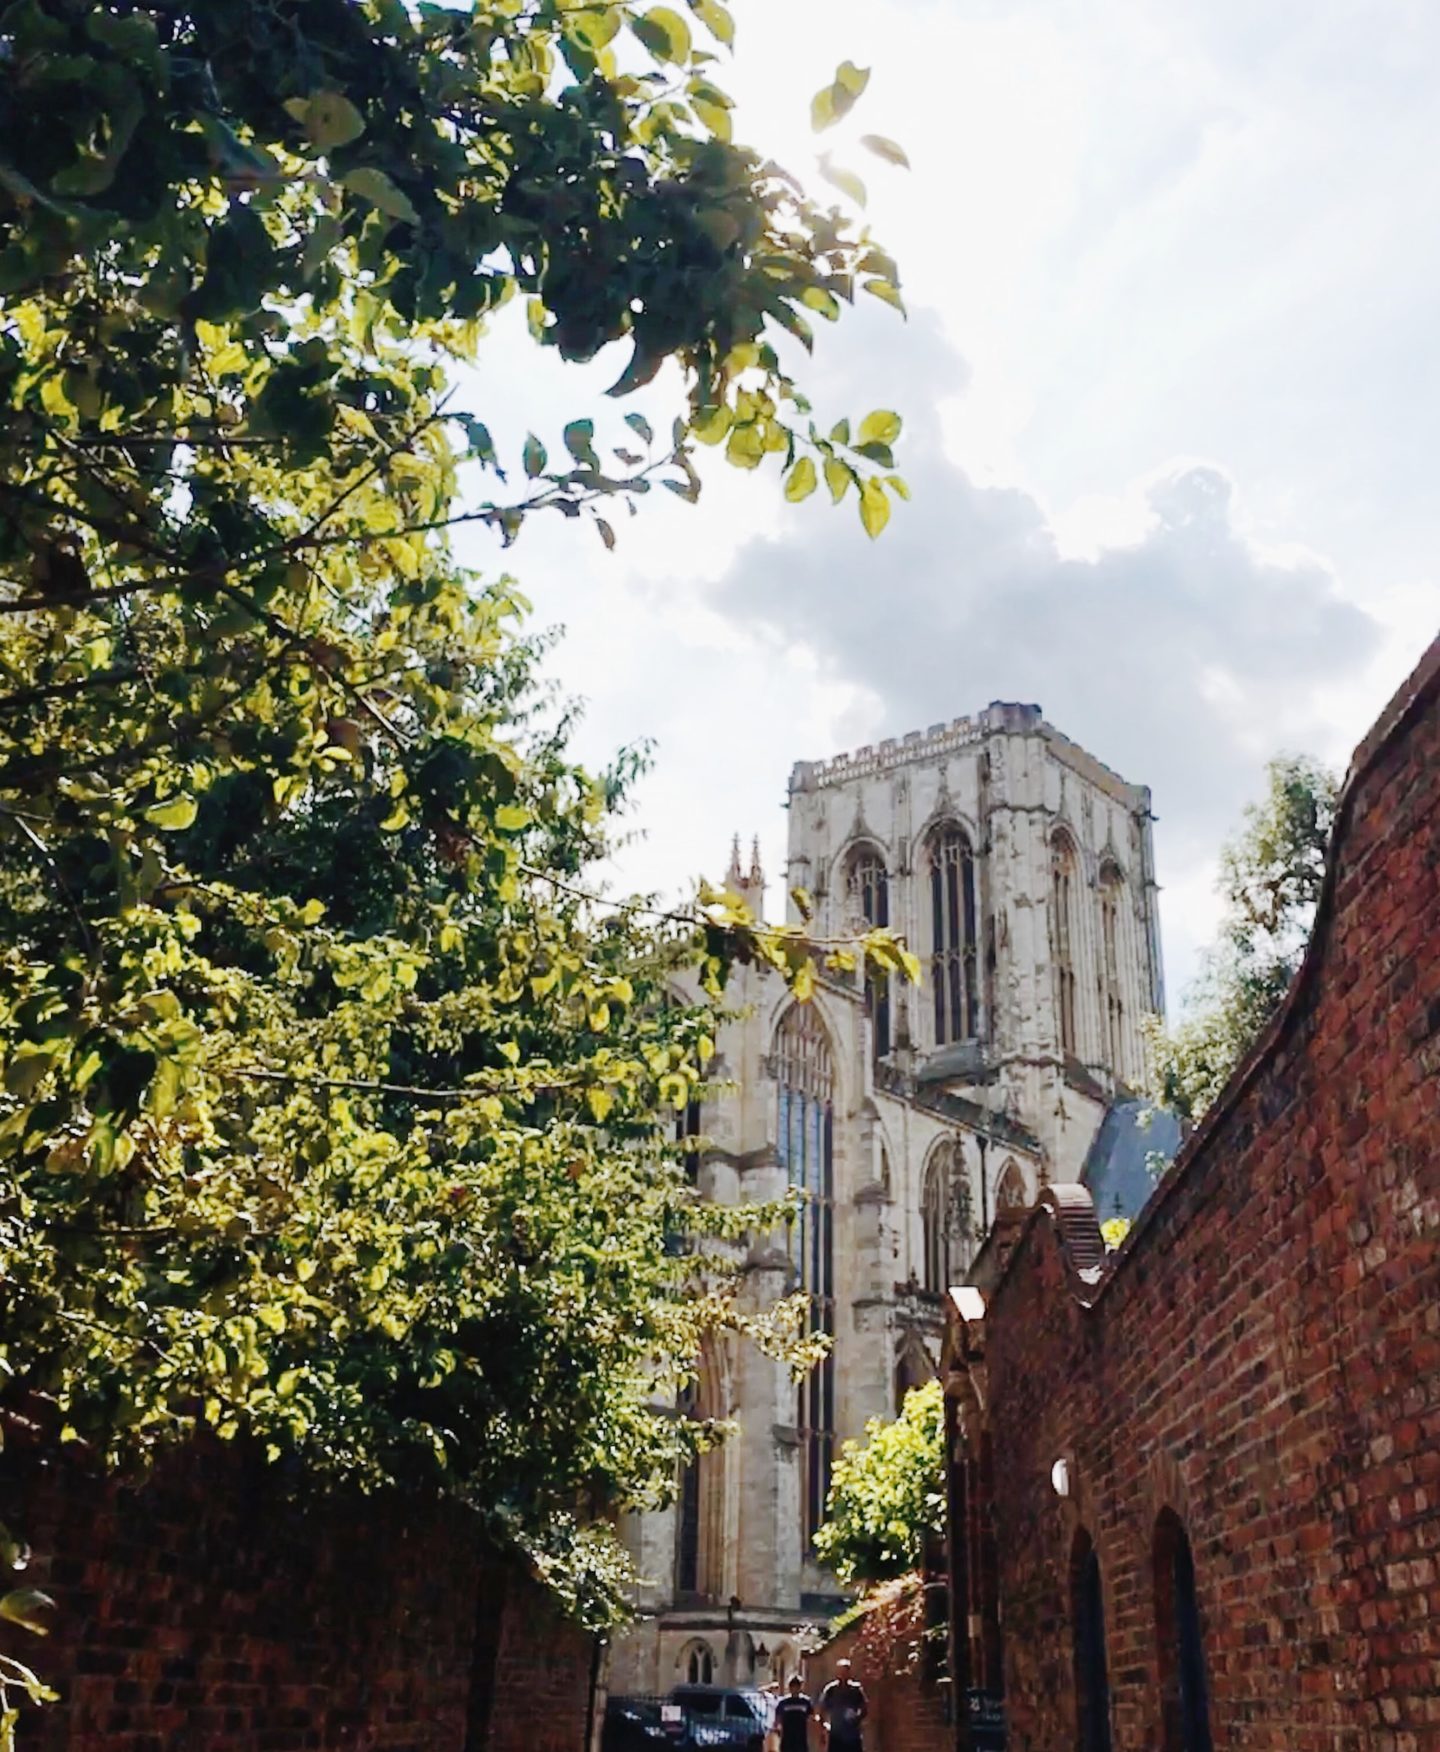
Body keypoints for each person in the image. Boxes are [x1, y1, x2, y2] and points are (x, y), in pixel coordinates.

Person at [818, 1660, 868, 1752]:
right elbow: (822, 1710)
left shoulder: (856, 1690)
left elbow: (864, 1708)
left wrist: (857, 1718)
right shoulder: (831, 1690)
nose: (843, 1675)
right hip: (836, 1735)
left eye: (845, 1671)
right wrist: (824, 1727)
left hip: (853, 1735)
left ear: (849, 1673)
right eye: (841, 1672)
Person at [773, 1676, 816, 1752]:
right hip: (787, 1736)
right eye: (792, 1686)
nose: (795, 1689)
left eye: (797, 1686)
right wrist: (777, 1728)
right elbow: (778, 1718)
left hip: (801, 1736)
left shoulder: (805, 1702)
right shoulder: (784, 1702)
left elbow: (811, 1718)